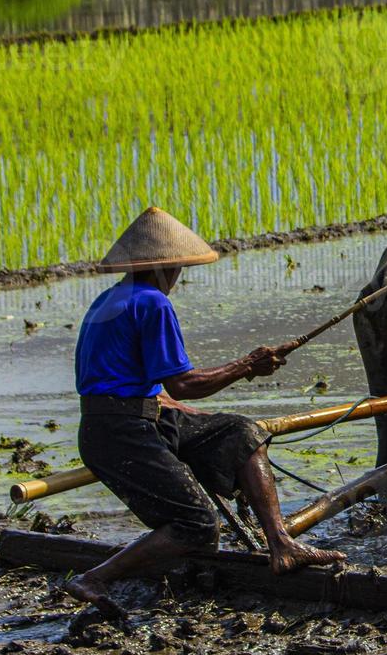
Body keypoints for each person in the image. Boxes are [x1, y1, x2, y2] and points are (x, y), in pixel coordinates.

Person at [63, 206, 345, 618]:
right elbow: (185, 383)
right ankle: (96, 578)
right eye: (176, 268)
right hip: (121, 432)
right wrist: (248, 366)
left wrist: (173, 406)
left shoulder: (110, 300)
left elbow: (133, 381)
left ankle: (281, 543)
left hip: (125, 418)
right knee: (197, 525)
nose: (177, 278)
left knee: (240, 432)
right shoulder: (153, 302)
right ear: (165, 267)